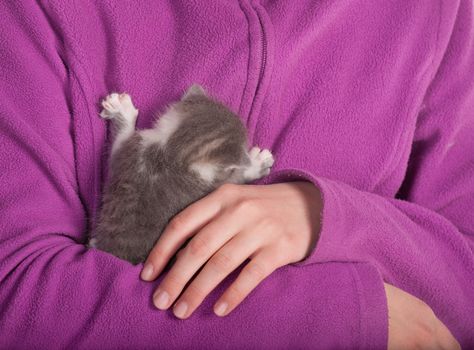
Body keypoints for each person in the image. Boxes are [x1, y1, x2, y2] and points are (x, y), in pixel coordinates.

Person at [0, 1, 472, 348]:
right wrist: (343, 317)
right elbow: (16, 292)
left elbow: (464, 274)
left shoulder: (436, 14)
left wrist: (324, 218)